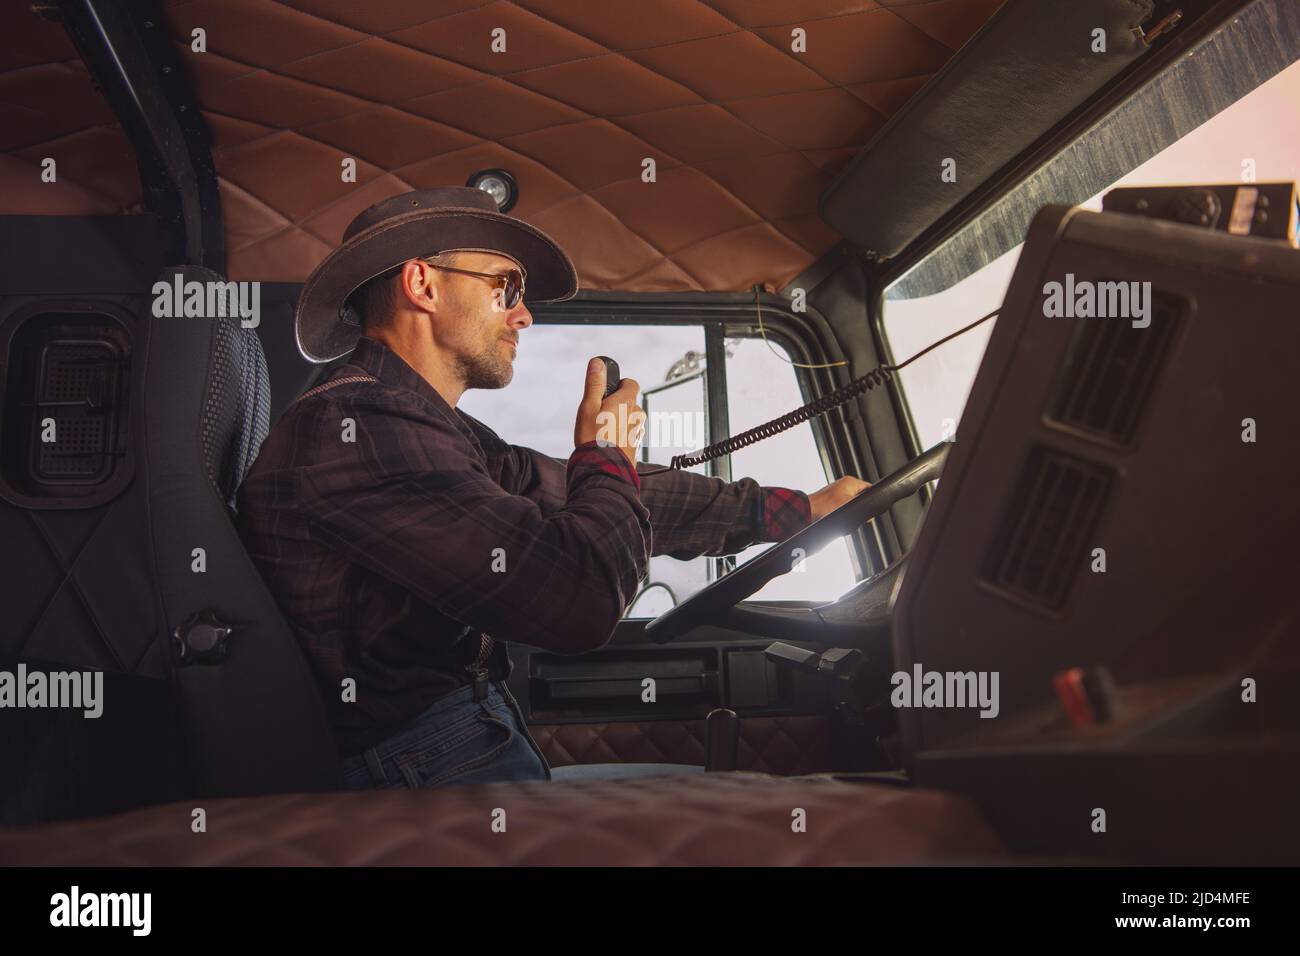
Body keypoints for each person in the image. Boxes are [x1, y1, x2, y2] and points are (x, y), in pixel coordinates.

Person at [236, 186, 870, 789]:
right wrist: (606, 453)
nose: (524, 313)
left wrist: (794, 511)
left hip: (455, 742)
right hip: (420, 764)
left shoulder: (426, 425)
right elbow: (580, 599)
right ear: (422, 284)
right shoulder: (358, 430)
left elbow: (570, 490)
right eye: (504, 285)